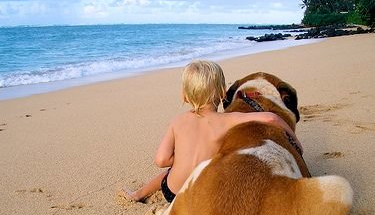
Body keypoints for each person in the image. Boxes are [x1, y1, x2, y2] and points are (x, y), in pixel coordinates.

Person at [120, 60, 302, 203]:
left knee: (169, 172)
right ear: (223, 92)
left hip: (171, 193)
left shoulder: (178, 121)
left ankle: (138, 194)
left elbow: (161, 160)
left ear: (184, 96)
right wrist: (294, 140)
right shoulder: (227, 120)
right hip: (201, 197)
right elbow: (271, 118)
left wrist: (184, 157)